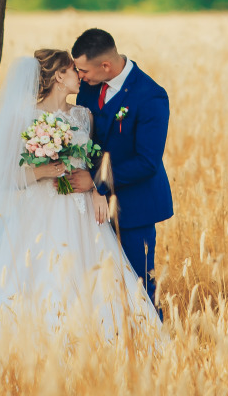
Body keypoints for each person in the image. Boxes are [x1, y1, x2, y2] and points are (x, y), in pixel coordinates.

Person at [0, 49, 160, 341]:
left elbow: (95, 163)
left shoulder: (83, 115)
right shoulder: (25, 117)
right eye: (73, 71)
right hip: (40, 211)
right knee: (41, 276)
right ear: (59, 76)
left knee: (94, 277)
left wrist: (97, 190)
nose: (80, 78)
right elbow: (6, 177)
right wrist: (43, 172)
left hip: (82, 212)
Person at [72, 27, 172, 310]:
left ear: (105, 65)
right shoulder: (89, 89)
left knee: (137, 282)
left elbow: (147, 161)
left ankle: (151, 344)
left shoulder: (151, 96)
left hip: (134, 206)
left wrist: (95, 183)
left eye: (83, 71)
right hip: (88, 206)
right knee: (95, 281)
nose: (80, 77)